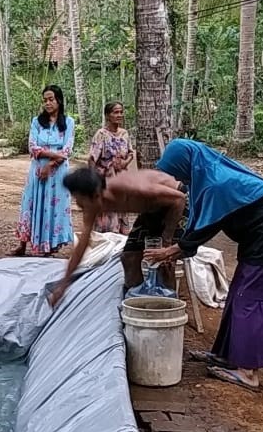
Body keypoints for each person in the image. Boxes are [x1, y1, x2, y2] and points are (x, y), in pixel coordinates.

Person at [144, 138, 263, 391]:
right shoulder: (205, 174)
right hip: (262, 231)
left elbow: (208, 224)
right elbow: (197, 217)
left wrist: (175, 250)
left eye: (174, 169)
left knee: (252, 299)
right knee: (237, 294)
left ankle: (248, 371)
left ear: (184, 164)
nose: (173, 176)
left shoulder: (215, 184)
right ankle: (227, 355)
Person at [50, 167, 188, 306]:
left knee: (164, 260)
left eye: (81, 201)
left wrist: (166, 241)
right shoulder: (92, 204)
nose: (80, 206)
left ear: (97, 194)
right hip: (151, 210)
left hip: (177, 204)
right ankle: (137, 303)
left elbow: (179, 199)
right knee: (129, 257)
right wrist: (63, 284)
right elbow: (82, 244)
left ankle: (168, 307)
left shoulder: (132, 188)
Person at [15, 85, 75, 256]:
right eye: (45, 100)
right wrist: (51, 155)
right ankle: (23, 245)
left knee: (54, 207)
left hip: (58, 173)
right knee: (30, 203)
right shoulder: (36, 122)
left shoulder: (69, 123)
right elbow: (32, 146)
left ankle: (50, 246)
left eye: (51, 99)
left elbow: (67, 149)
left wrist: (50, 164)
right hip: (37, 169)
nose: (48, 103)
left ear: (59, 101)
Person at [87, 102, 136, 235]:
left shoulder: (124, 134)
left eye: (121, 112)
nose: (119, 115)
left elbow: (131, 153)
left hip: (121, 180)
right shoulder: (101, 134)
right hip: (105, 180)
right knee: (107, 215)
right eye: (115, 112)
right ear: (108, 115)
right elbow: (92, 159)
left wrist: (125, 163)